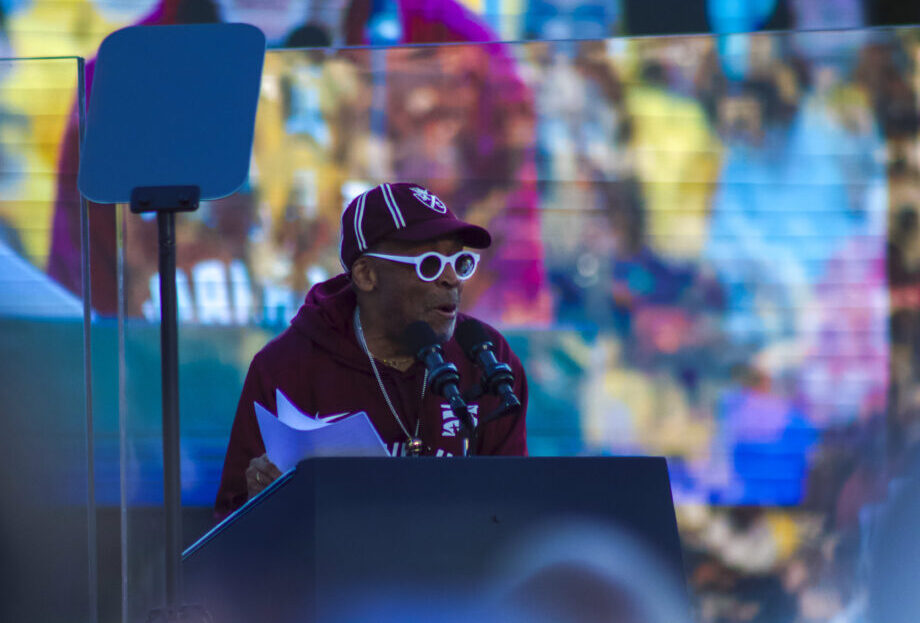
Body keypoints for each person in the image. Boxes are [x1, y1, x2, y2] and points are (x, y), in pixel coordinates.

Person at [214, 182, 528, 519]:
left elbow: (517, 512)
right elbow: (229, 526)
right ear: (366, 275)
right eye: (430, 264)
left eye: (461, 262)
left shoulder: (488, 359)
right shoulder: (287, 367)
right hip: (334, 568)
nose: (452, 279)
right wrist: (259, 497)